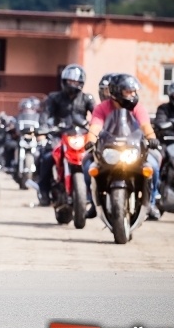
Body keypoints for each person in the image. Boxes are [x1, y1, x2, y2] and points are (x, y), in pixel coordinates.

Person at [84, 74, 162, 219]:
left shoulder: (138, 108)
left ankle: (151, 203)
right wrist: (90, 139)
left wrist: (152, 138)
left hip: (133, 150)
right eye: (128, 92)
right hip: (109, 150)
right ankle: (94, 202)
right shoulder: (102, 108)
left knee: (154, 166)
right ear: (116, 91)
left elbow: (145, 125)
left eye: (134, 92)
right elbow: (95, 126)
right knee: (87, 164)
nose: (133, 95)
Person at [36, 64, 95, 207]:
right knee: (47, 157)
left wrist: (97, 129)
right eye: (70, 81)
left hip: (80, 137)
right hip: (59, 135)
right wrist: (43, 128)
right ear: (64, 81)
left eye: (76, 82)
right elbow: (45, 114)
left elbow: (97, 116)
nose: (72, 84)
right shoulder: (54, 97)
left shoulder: (87, 98)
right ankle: (44, 191)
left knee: (94, 159)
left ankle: (94, 194)